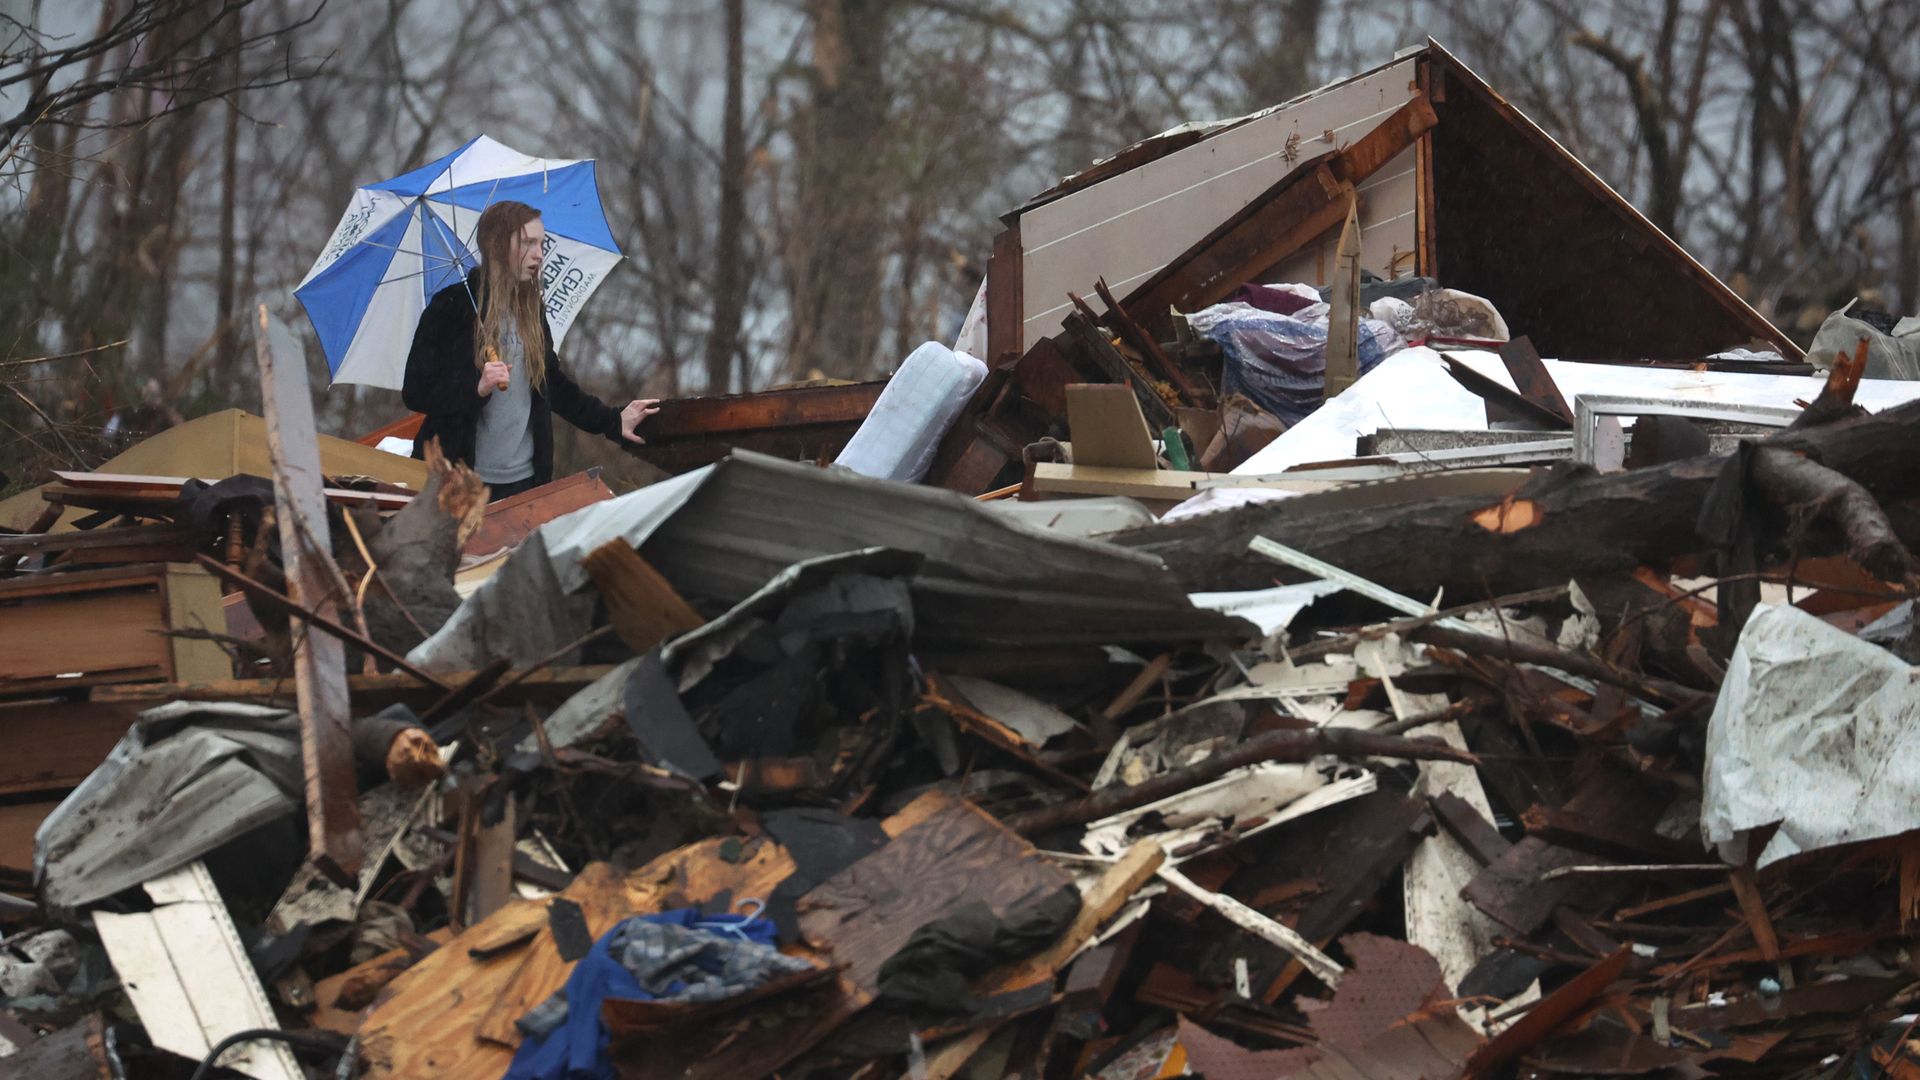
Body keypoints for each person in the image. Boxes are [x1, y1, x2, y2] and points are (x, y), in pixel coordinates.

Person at [403, 200, 658, 500]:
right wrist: (476, 387)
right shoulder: (452, 307)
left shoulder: (530, 309)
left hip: (522, 482)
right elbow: (416, 391)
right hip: (457, 482)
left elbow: (552, 384)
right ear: (497, 244)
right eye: (528, 243)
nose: (539, 253)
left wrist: (612, 421)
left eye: (542, 243)